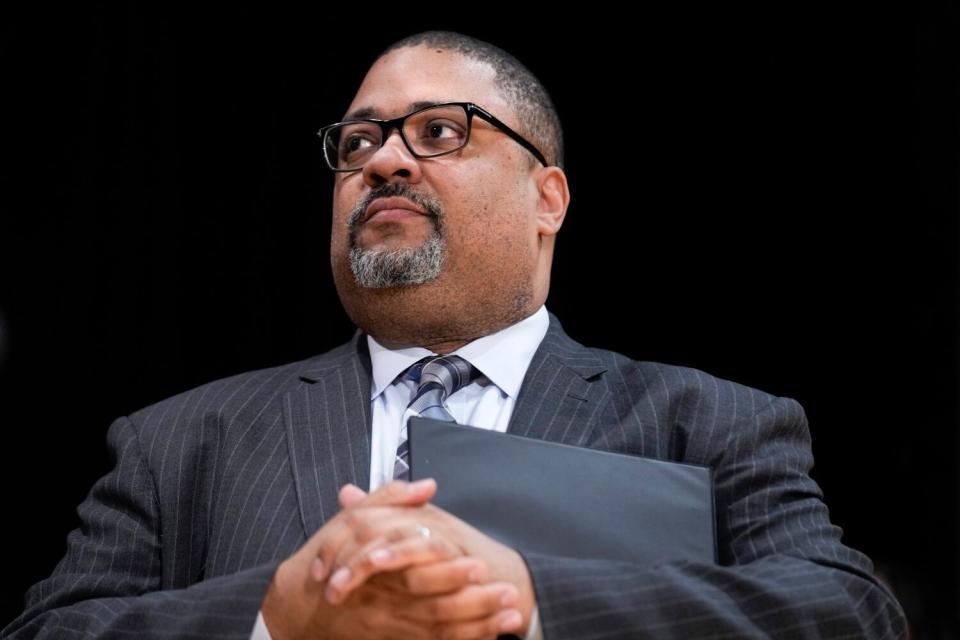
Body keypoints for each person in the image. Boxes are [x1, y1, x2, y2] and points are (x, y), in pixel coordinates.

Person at [4, 31, 907, 639]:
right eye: (358, 144)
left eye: (439, 132)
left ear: (546, 200)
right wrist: (276, 614)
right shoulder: (176, 443)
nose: (385, 159)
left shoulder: (710, 422)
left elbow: (851, 610)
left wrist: (529, 595)